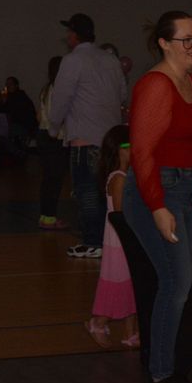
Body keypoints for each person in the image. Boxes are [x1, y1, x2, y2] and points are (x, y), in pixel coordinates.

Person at [123, 10, 192, 383]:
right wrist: (157, 207)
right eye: (187, 40)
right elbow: (142, 152)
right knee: (176, 285)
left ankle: (167, 370)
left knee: (179, 285)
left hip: (181, 189)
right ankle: (162, 376)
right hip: (154, 191)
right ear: (164, 43)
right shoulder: (154, 85)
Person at [49, 13, 128, 259]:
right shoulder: (111, 59)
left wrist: (53, 127)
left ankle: (93, 241)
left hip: (85, 140)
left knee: (86, 192)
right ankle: (111, 240)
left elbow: (61, 98)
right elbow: (123, 95)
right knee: (109, 191)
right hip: (111, 142)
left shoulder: (72, 61)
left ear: (74, 34)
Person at [84, 124, 139, 349]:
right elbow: (120, 214)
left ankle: (130, 333)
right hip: (120, 241)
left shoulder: (126, 176)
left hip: (123, 239)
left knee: (131, 286)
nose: (133, 149)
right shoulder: (119, 178)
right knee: (118, 285)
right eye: (128, 146)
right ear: (118, 150)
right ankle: (98, 322)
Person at [37, 57, 69, 230]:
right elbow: (54, 117)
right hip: (53, 138)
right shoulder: (57, 89)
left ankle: (46, 215)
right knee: (54, 180)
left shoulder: (48, 88)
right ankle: (48, 217)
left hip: (47, 136)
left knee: (49, 179)